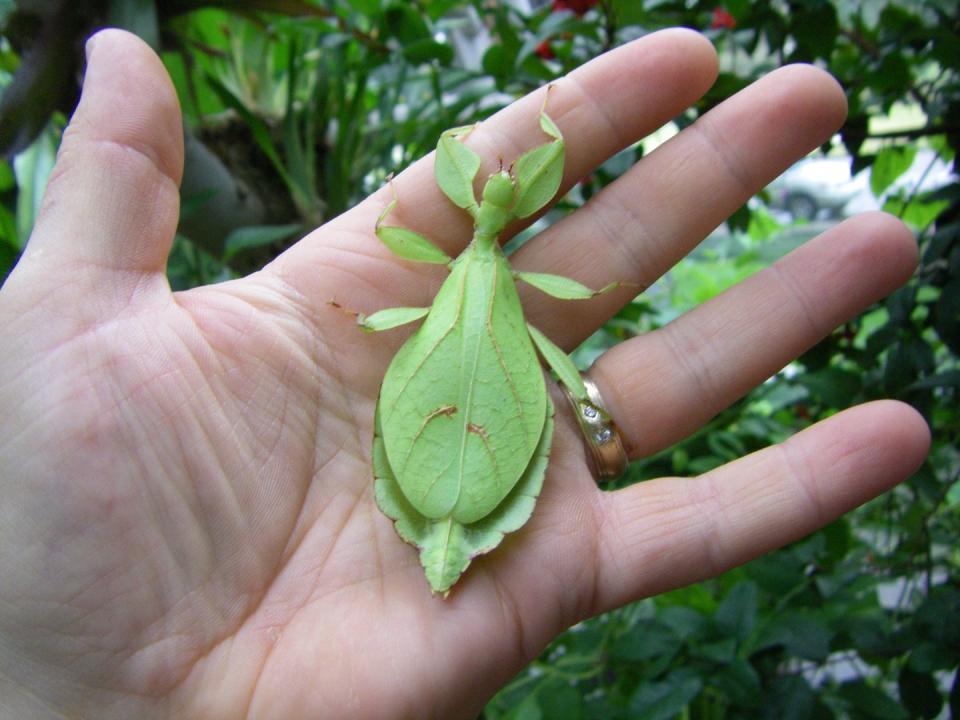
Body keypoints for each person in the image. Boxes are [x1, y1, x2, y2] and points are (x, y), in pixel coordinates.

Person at [0, 27, 929, 719]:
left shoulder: (442, 264)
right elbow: (533, 334)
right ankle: (453, 530)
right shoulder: (503, 274)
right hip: (475, 412)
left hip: (459, 393)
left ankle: (454, 527)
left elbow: (417, 292)